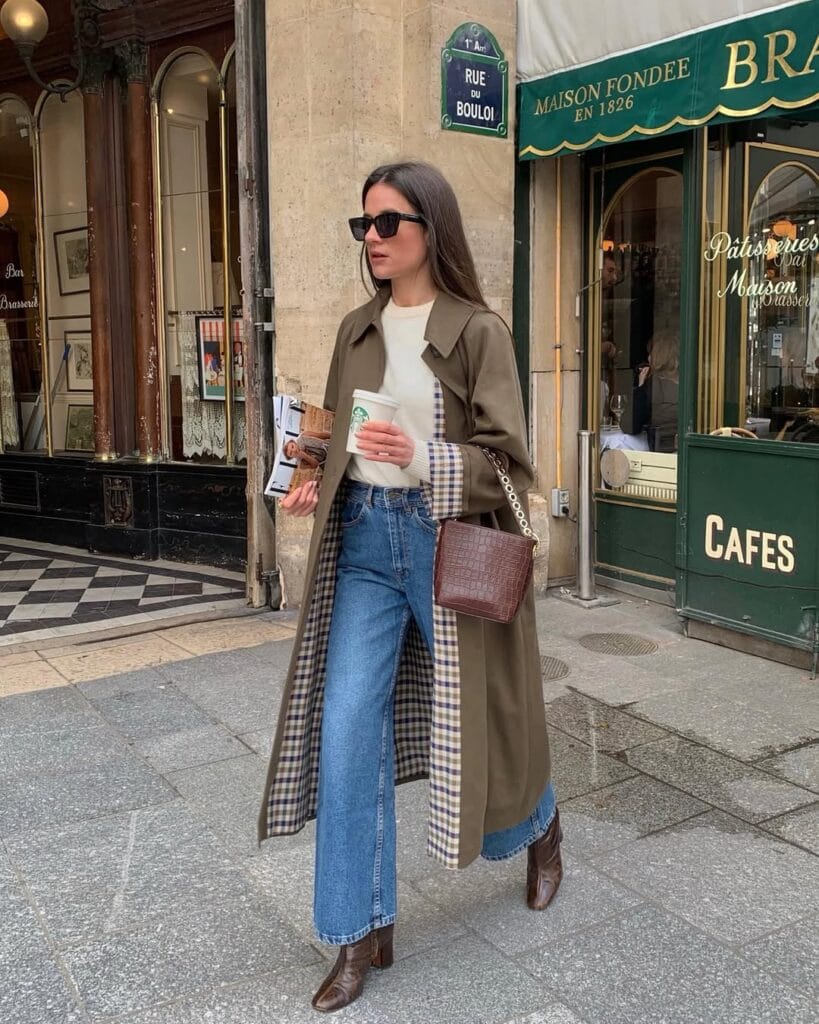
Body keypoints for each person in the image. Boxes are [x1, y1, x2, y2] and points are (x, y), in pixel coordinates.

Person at [257, 161, 561, 1014]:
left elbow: (510, 461)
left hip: (446, 543)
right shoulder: (356, 326)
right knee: (346, 731)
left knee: (481, 723)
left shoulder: (476, 330)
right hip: (364, 544)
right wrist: (309, 473)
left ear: (431, 225)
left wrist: (423, 458)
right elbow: (325, 427)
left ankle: (540, 828)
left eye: (388, 223)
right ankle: (359, 932)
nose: (374, 240)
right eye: (364, 227)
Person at [630, 331, 679, 450]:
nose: (648, 357)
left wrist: (641, 386)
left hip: (660, 449)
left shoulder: (653, 385)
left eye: (650, 353)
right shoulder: (689, 383)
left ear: (657, 357)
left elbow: (631, 425)